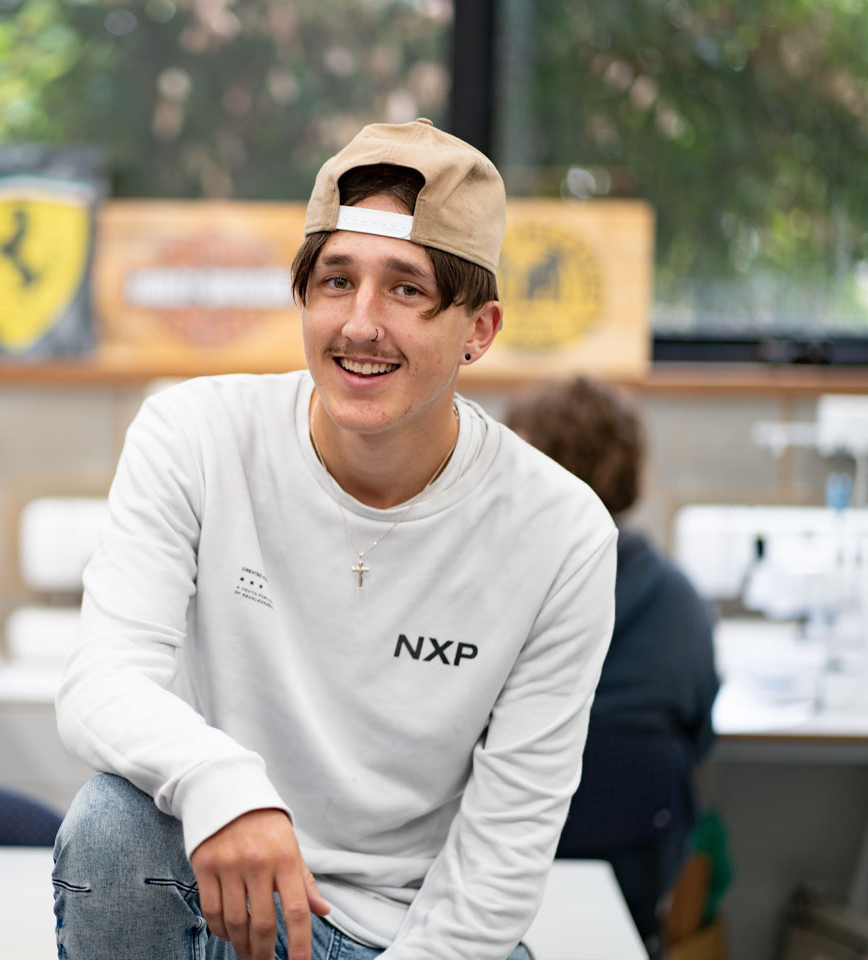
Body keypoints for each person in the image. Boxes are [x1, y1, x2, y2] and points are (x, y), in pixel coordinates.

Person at [52, 118, 619, 960]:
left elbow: (499, 860)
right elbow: (101, 682)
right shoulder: (196, 435)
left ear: (480, 328)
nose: (360, 324)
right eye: (335, 280)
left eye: (407, 289)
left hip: (416, 937)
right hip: (219, 906)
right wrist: (226, 784)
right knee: (111, 825)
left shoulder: (561, 534)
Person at [505, 376, 719, 941]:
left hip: (495, 869)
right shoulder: (677, 598)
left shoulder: (489, 582)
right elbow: (699, 732)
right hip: (633, 878)